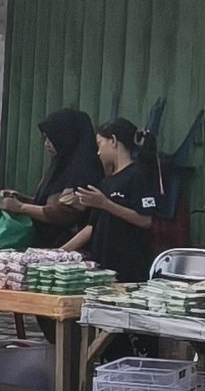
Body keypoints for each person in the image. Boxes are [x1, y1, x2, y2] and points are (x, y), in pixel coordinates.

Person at [65, 118, 163, 282]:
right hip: (102, 266)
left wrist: (106, 204)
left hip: (129, 268)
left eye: (100, 145)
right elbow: (92, 227)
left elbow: (146, 220)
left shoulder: (139, 176)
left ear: (114, 141)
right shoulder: (107, 181)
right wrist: (61, 251)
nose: (98, 152)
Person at [1, 107, 103, 247]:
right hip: (46, 244)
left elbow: (64, 213)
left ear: (67, 137)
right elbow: (48, 203)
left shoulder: (84, 172)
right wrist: (22, 198)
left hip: (68, 251)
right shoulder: (61, 165)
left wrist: (21, 207)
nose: (46, 144)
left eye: (52, 138)